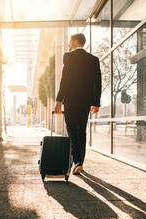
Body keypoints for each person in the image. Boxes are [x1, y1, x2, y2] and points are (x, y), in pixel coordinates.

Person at [54, 33, 101, 175]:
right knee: (82, 131)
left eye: (70, 41)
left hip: (71, 100)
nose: (69, 43)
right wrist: (96, 102)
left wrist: (58, 101)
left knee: (72, 130)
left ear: (75, 41)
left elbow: (65, 80)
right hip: (85, 102)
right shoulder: (93, 59)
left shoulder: (68, 57)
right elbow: (97, 82)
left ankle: (78, 161)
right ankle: (80, 162)